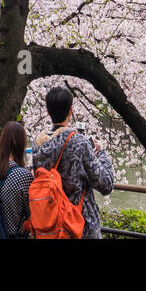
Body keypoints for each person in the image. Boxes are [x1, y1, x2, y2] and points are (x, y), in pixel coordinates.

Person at [31, 86, 115, 239]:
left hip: (49, 223)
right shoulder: (78, 142)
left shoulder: (38, 144)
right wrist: (101, 154)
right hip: (79, 225)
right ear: (71, 111)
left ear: (48, 112)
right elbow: (106, 184)